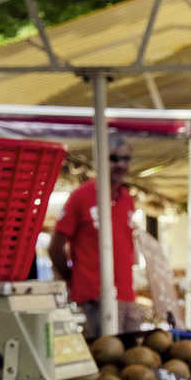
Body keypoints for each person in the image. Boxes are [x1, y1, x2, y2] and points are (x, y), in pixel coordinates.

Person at [50, 135, 139, 340]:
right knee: (105, 358)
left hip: (126, 294)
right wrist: (74, 278)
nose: (121, 165)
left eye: (126, 159)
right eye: (114, 158)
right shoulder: (81, 196)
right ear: (100, 161)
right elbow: (56, 246)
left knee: (133, 359)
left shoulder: (126, 198)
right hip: (94, 297)